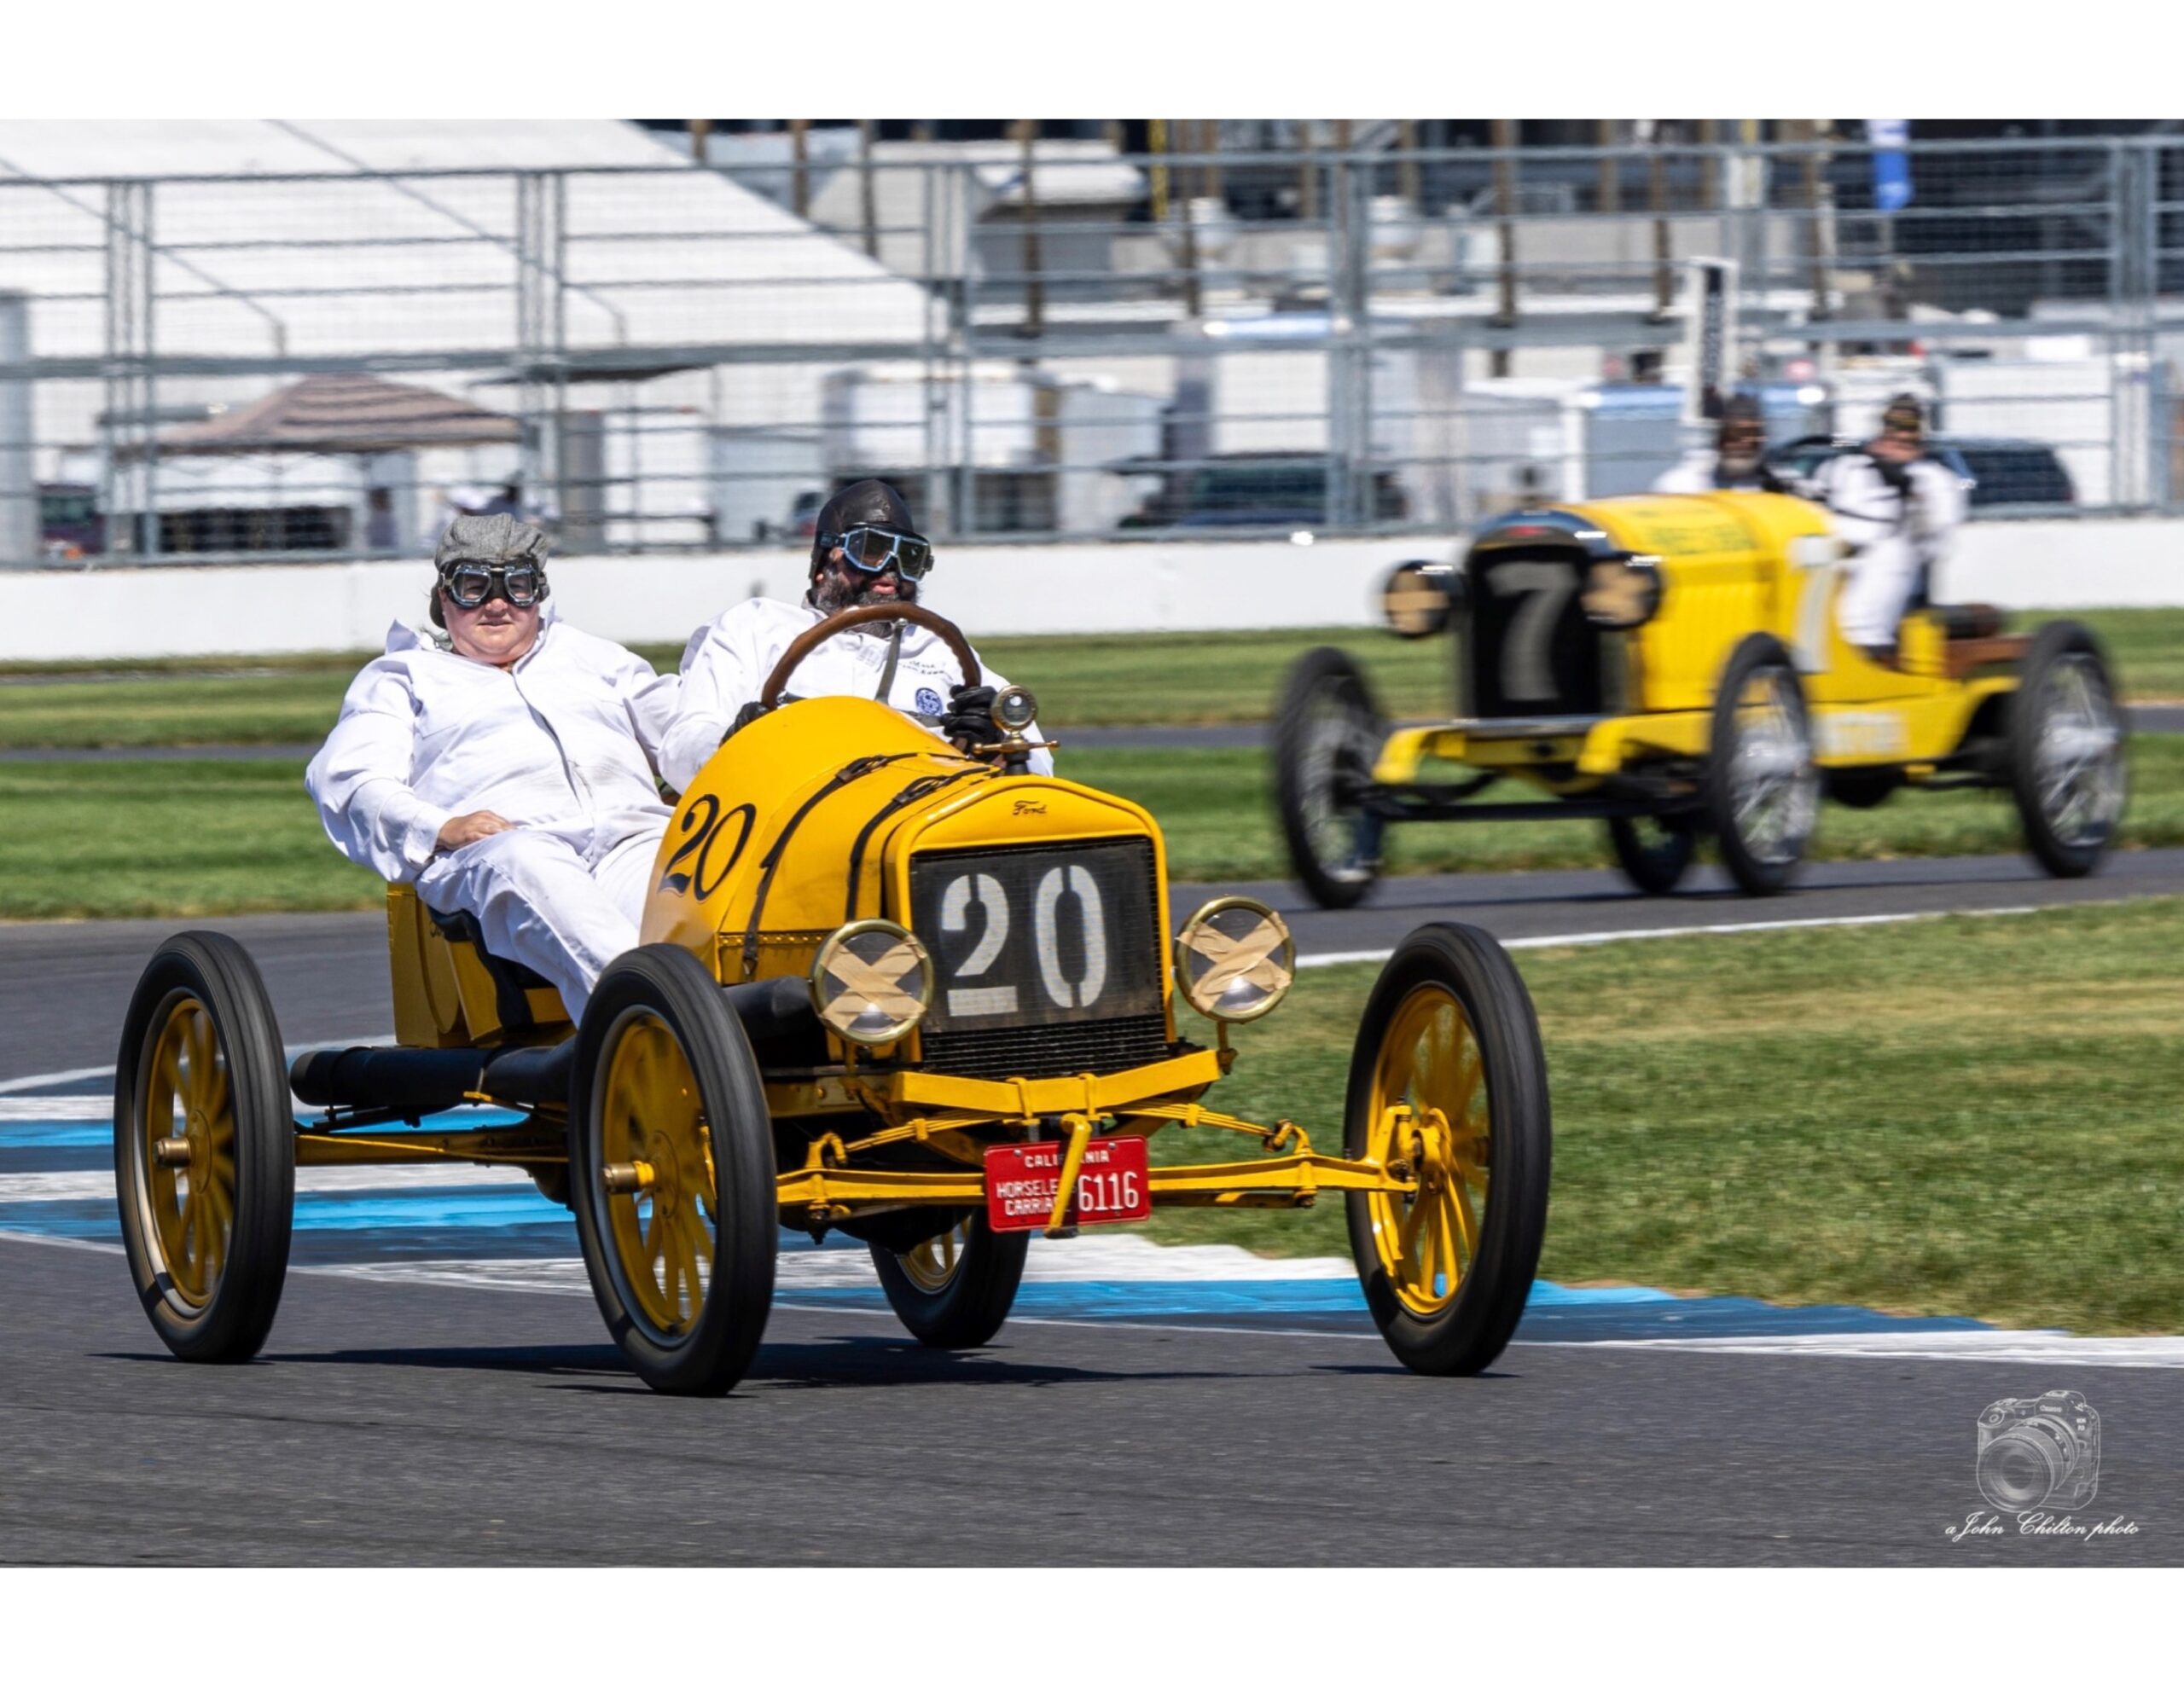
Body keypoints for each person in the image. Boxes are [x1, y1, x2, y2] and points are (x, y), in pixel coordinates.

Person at [305, 514, 679, 1018]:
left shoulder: (594, 657)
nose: (498, 604)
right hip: (503, 846)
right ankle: (661, 1026)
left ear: (538, 594)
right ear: (444, 598)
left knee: (703, 906)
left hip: (631, 839)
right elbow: (350, 781)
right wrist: (442, 826)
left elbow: (679, 728)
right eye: (474, 587)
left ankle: (712, 1021)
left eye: (517, 586)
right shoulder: (403, 677)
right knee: (534, 868)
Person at [661, 480, 1051, 793]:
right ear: (824, 562)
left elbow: (1038, 772)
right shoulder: (757, 627)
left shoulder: (944, 650)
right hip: (794, 817)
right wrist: (734, 744)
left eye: (909, 557)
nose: (890, 571)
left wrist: (993, 748)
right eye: (870, 550)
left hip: (919, 823)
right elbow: (682, 747)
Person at [1806, 393, 1967, 657]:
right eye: (1893, 425)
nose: (1899, 435)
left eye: (1909, 428)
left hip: (1891, 563)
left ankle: (1865, 640)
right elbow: (1811, 505)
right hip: (1831, 556)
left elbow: (1936, 541)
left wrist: (1912, 496)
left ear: (1920, 434)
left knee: (1891, 551)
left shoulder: (1934, 479)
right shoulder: (1846, 466)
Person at [1653, 394, 1797, 494]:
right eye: (1732, 434)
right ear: (1718, 439)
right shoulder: (1682, 486)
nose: (1740, 444)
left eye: (1750, 435)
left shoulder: (1784, 487)